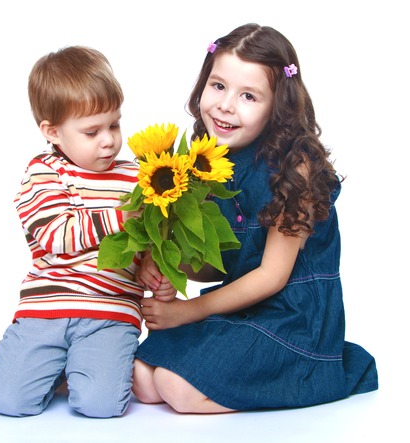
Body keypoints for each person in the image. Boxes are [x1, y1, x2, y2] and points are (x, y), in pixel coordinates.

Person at [132, 23, 378, 413]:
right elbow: (219, 261)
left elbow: (271, 275)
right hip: (239, 306)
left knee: (177, 389)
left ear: (277, 106)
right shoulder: (208, 162)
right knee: (143, 381)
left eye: (249, 95)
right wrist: (168, 266)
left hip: (292, 318)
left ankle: (309, 375)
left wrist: (188, 311)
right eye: (218, 86)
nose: (226, 105)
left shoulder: (295, 167)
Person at [0, 46, 174, 418]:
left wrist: (151, 268)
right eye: (91, 131)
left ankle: (82, 371)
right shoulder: (44, 172)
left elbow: (149, 240)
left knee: (101, 406)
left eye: (114, 125)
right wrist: (121, 214)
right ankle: (60, 371)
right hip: (46, 308)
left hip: (112, 310)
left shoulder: (137, 176)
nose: (108, 140)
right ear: (52, 132)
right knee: (7, 400)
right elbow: (55, 233)